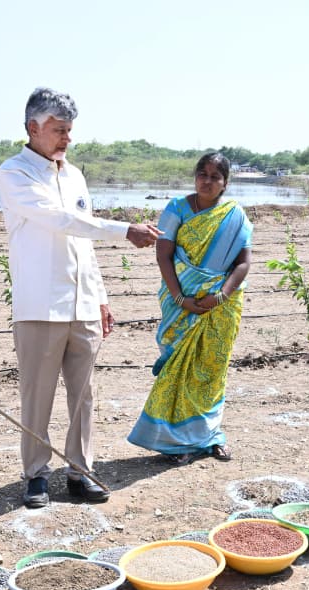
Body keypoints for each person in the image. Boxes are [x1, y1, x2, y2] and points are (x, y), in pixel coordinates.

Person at [0, 87, 160, 508]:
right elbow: (62, 220)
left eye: (70, 130)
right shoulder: (15, 173)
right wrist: (124, 229)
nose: (66, 138)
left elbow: (82, 240)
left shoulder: (74, 175)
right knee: (38, 394)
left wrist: (100, 297)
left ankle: (80, 470)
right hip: (40, 306)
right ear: (33, 127)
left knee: (84, 394)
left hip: (82, 302)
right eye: (58, 130)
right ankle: (35, 474)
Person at [127, 152, 252, 465]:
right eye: (202, 174)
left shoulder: (234, 215)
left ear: (225, 184)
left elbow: (243, 263)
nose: (207, 181)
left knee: (212, 370)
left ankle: (210, 436)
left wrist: (220, 297)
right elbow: (163, 256)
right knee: (178, 369)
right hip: (180, 303)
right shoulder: (176, 209)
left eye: (215, 177)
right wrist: (182, 299)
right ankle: (174, 441)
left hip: (221, 307)